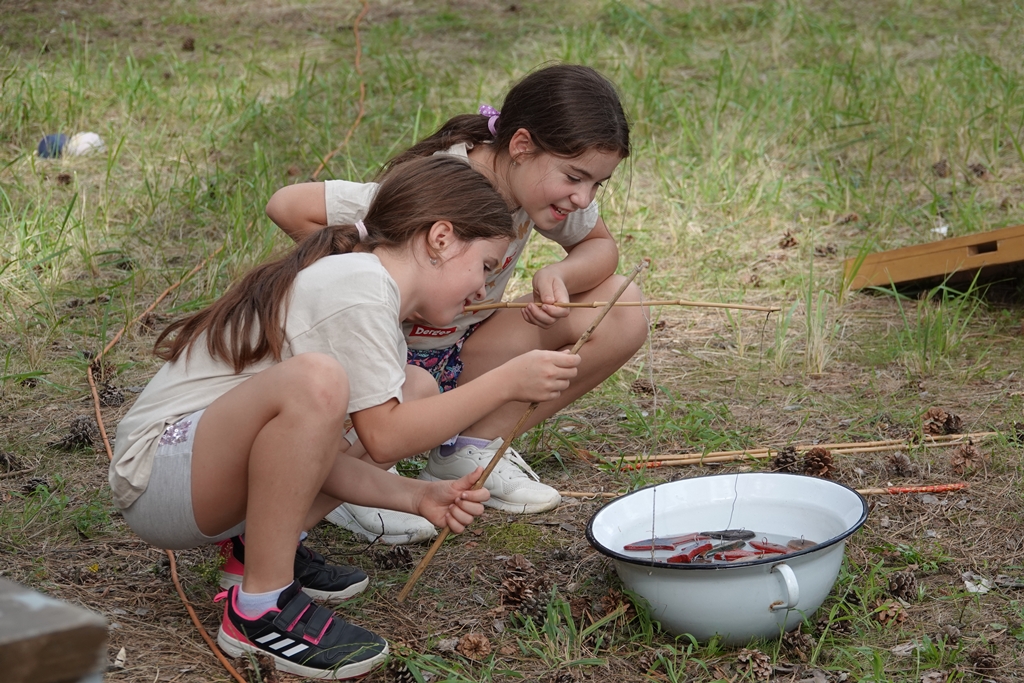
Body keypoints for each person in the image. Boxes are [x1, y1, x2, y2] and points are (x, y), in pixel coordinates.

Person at [108, 156, 581, 679]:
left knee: (415, 387)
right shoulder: (359, 286)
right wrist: (506, 382)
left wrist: (418, 497)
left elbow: (313, 454)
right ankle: (258, 608)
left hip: (202, 479)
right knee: (318, 381)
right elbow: (384, 438)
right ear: (441, 239)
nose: (484, 289)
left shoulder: (375, 296)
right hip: (160, 476)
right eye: (486, 267)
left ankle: (257, 554)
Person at [265, 64, 648, 546]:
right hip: (381, 370)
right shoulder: (443, 184)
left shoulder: (541, 188)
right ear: (522, 146)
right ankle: (347, 484)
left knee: (621, 305)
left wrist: (560, 275)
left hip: (457, 352)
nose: (584, 198)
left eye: (597, 184)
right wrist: (376, 288)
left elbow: (601, 247)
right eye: (575, 177)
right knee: (412, 390)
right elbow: (287, 205)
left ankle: (467, 448)